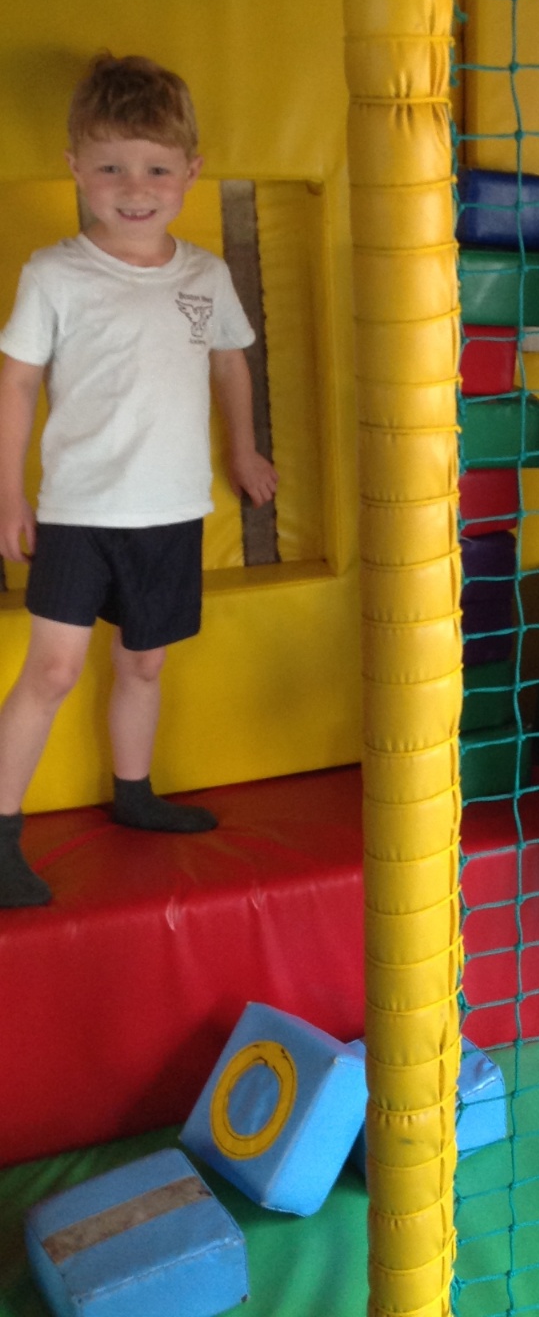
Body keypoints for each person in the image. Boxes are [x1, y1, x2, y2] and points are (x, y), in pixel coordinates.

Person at [0, 53, 277, 908]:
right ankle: (1, 831)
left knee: (144, 663)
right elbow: (17, 382)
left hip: (170, 510)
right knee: (52, 671)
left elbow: (229, 363)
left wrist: (244, 451)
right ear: (75, 168)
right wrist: (8, 493)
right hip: (79, 512)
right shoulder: (55, 273)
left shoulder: (203, 275)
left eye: (156, 168)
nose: (134, 187)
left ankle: (134, 792)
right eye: (111, 167)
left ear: (190, 173)